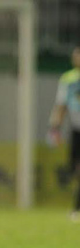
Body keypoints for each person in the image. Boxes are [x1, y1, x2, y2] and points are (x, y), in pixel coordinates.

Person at [48, 45, 80, 222]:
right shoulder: (68, 79)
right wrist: (55, 128)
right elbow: (61, 105)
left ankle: (76, 207)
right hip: (76, 130)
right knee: (74, 169)